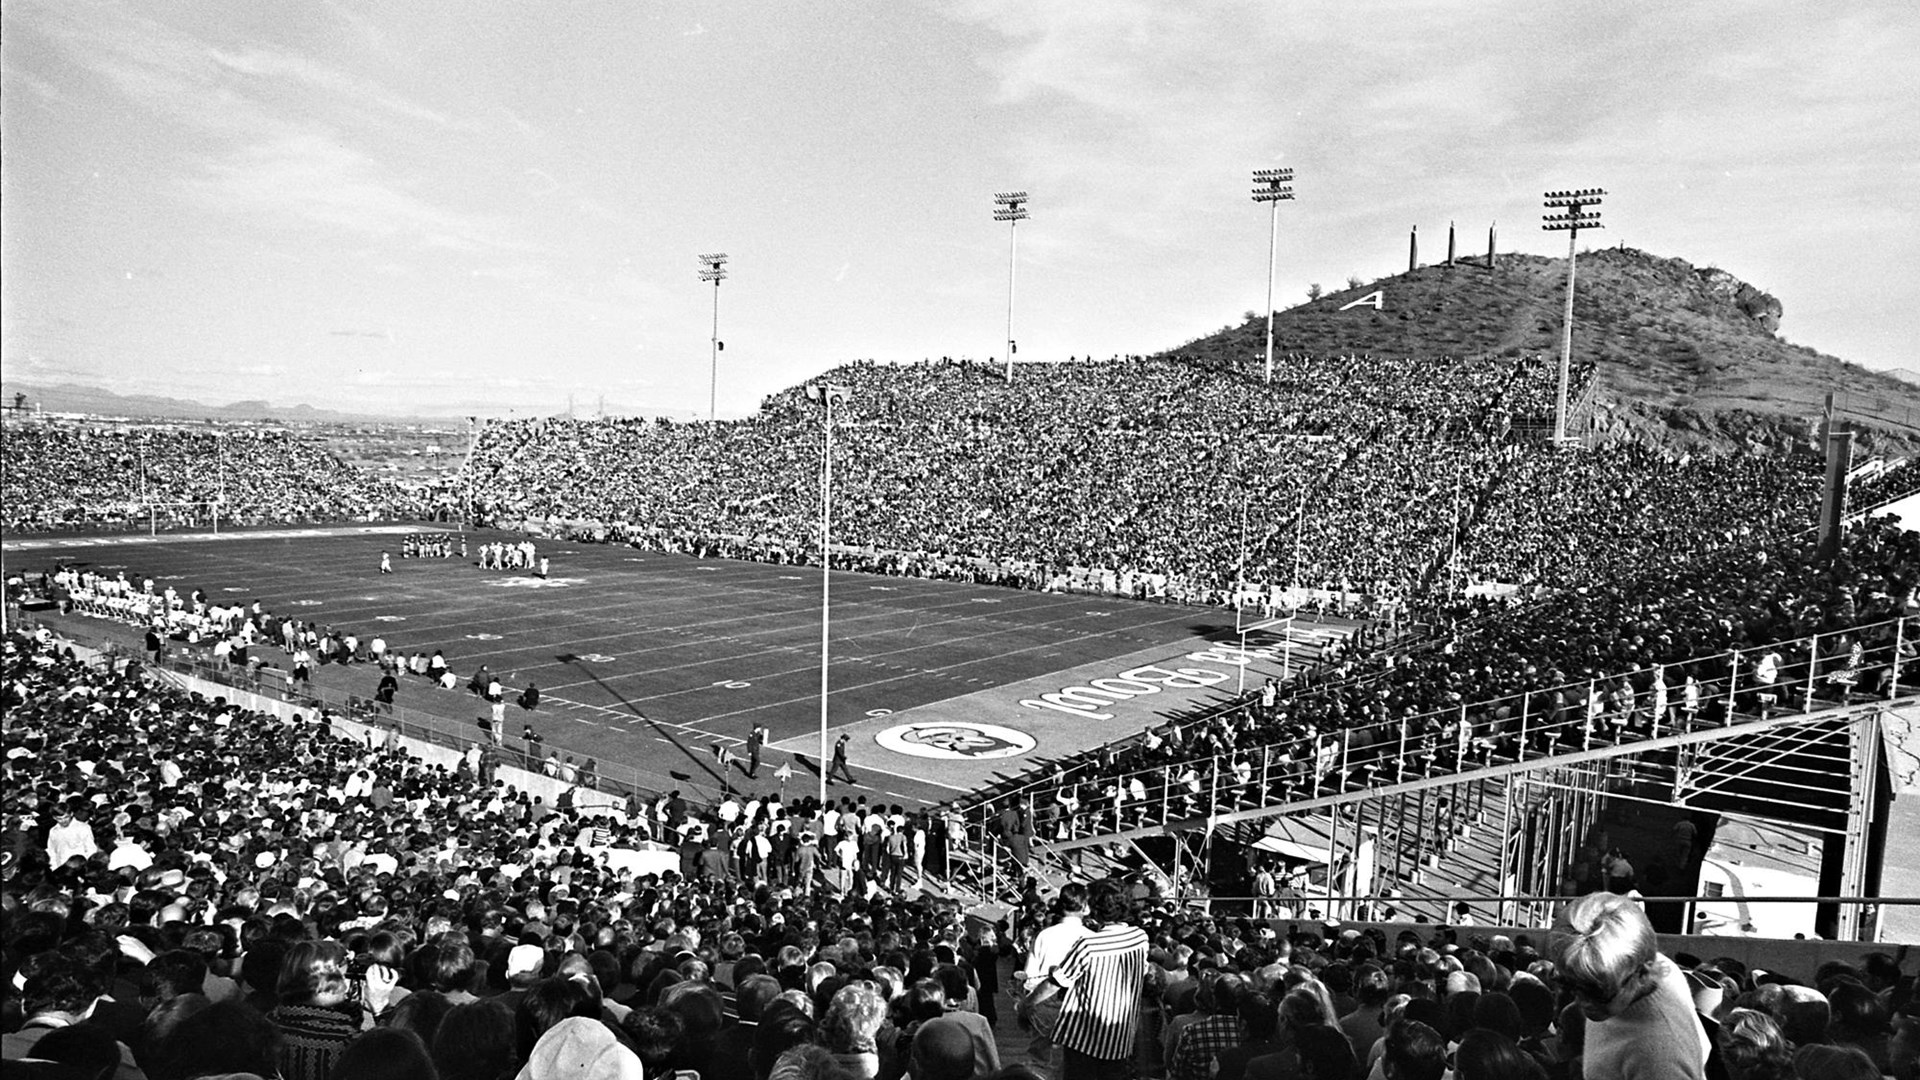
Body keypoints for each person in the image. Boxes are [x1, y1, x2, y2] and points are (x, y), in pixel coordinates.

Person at [1550, 891, 1708, 1080]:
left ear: (1642, 973)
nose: (1583, 1001)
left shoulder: (1659, 1059)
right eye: (1571, 984)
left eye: (1597, 990)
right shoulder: (1646, 964)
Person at [1022, 879, 1148, 1080]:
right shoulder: (1140, 938)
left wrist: (1026, 1004)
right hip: (1120, 1036)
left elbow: (1055, 982)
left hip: (1085, 1038)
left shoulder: (1089, 945)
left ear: (1096, 908)